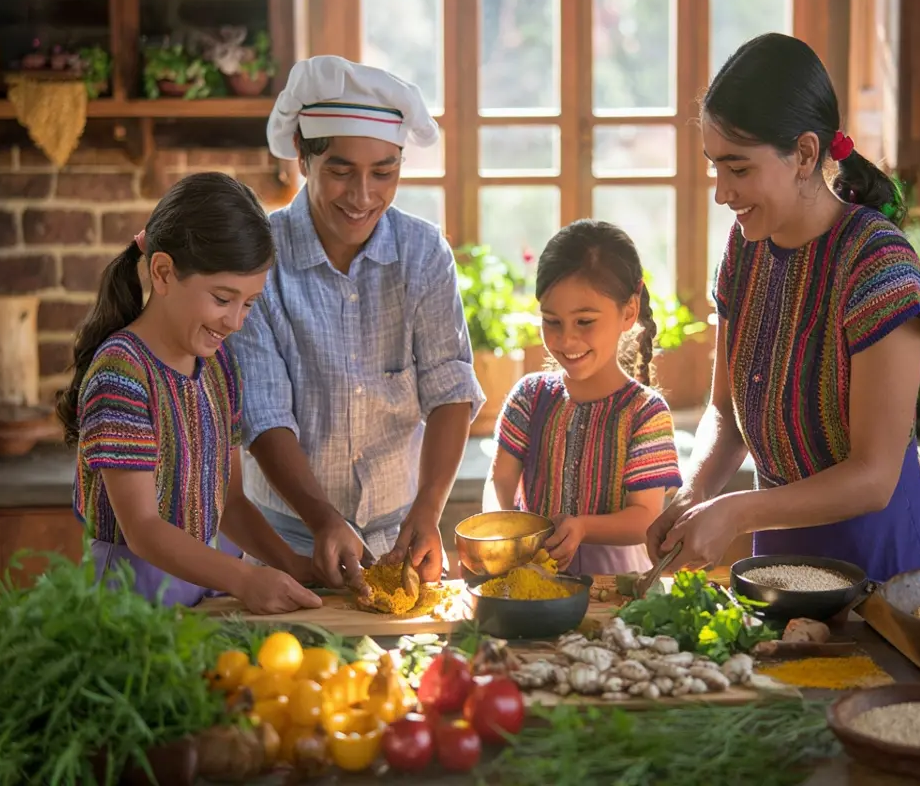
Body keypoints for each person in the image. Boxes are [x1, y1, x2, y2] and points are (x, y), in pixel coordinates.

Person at [646, 33, 920, 583]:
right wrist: (695, 493)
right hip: (780, 567)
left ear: (805, 154)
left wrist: (736, 510)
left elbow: (874, 476)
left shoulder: (878, 265)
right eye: (715, 167)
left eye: (738, 169)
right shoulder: (744, 251)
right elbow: (726, 414)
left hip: (882, 568)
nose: (720, 192)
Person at [230, 55, 485, 592]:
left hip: (401, 536)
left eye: (383, 173)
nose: (363, 195)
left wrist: (428, 508)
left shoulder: (424, 254)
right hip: (287, 539)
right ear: (303, 156)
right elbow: (264, 415)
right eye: (341, 171)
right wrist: (323, 521)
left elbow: (449, 389)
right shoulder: (260, 258)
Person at [58, 172, 323, 614]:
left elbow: (232, 503)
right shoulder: (122, 374)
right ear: (162, 272)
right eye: (222, 298)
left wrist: (294, 565)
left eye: (249, 303)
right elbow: (142, 528)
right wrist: (243, 578)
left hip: (207, 595)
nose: (235, 321)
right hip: (129, 607)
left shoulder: (219, 367)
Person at [483, 220, 683, 575]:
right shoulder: (528, 398)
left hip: (616, 587)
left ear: (629, 312)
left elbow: (646, 517)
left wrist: (583, 527)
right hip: (530, 577)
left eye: (585, 322)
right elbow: (500, 481)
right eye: (552, 322)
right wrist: (499, 535)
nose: (566, 341)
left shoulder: (646, 413)